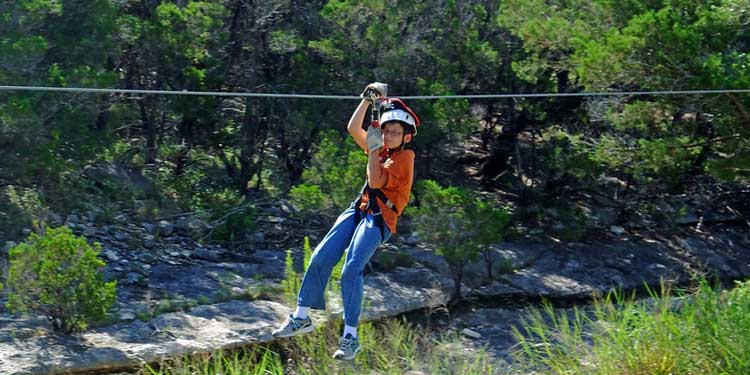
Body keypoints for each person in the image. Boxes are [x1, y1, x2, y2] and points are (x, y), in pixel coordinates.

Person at [271, 82, 420, 360]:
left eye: (396, 132)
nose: (389, 135)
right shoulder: (381, 149)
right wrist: (366, 100)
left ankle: (351, 337)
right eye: (386, 130)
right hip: (359, 209)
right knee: (321, 256)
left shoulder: (404, 159)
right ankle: (301, 316)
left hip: (380, 220)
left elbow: (375, 180)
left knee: (351, 269)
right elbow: (353, 128)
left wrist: (374, 149)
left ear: (406, 137)